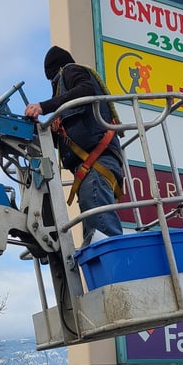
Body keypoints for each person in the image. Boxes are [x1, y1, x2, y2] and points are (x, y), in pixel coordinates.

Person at [24, 45, 124, 245]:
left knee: (102, 234)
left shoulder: (70, 71)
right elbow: (67, 136)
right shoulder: (67, 89)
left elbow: (85, 90)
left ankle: (117, 272)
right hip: (91, 167)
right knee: (94, 236)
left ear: (54, 72)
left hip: (97, 162)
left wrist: (44, 107)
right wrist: (44, 130)